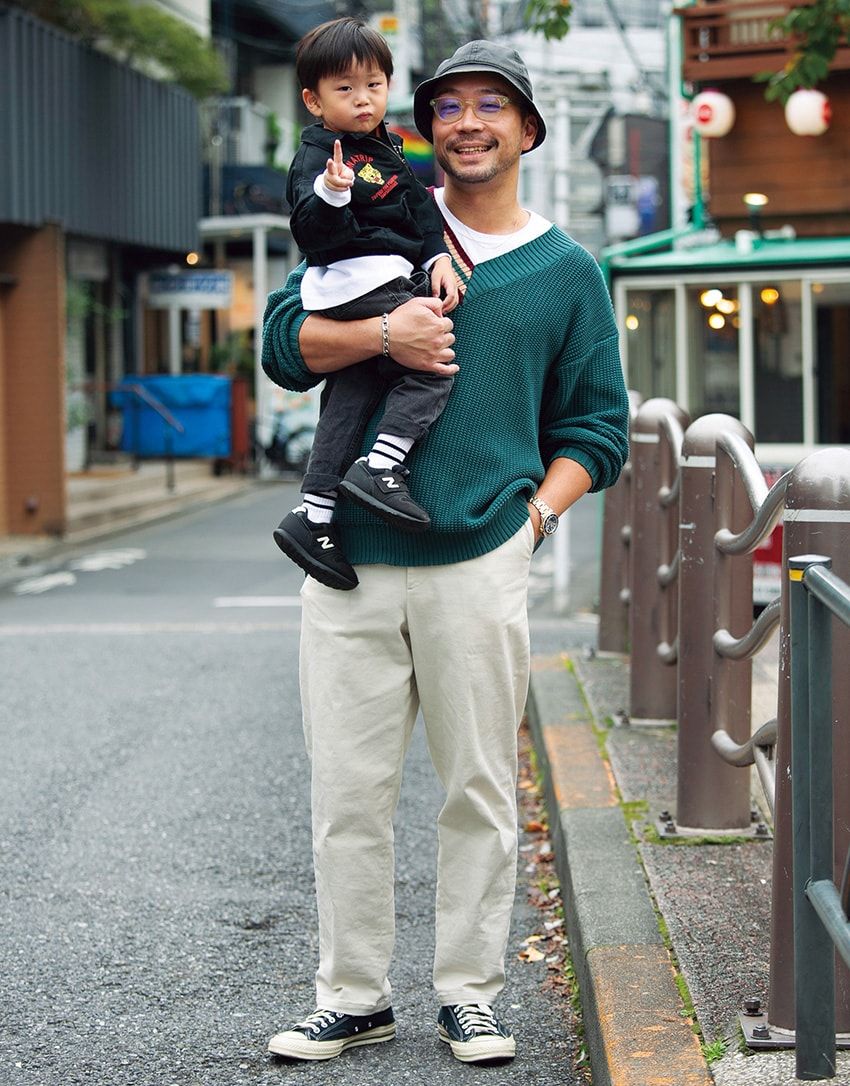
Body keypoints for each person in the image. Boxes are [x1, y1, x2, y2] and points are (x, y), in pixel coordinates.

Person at [262, 38, 629, 1066]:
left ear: (525, 129)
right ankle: (352, 993)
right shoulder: (374, 217)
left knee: (476, 789)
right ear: (427, 127)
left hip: (479, 555)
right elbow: (285, 344)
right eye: (450, 106)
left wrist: (535, 520)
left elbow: (598, 430)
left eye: (490, 106)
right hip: (347, 559)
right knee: (346, 794)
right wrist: (388, 337)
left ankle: (468, 992)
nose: (468, 123)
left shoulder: (564, 273)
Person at [272, 17, 459, 592]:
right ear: (313, 100)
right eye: (345, 89)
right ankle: (382, 464)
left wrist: (437, 260)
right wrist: (330, 194)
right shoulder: (318, 156)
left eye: (374, 85)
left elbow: (423, 215)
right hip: (358, 279)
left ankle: (314, 511)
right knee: (434, 360)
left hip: (382, 277)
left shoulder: (388, 149)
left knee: (350, 394)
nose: (363, 100)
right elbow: (311, 234)